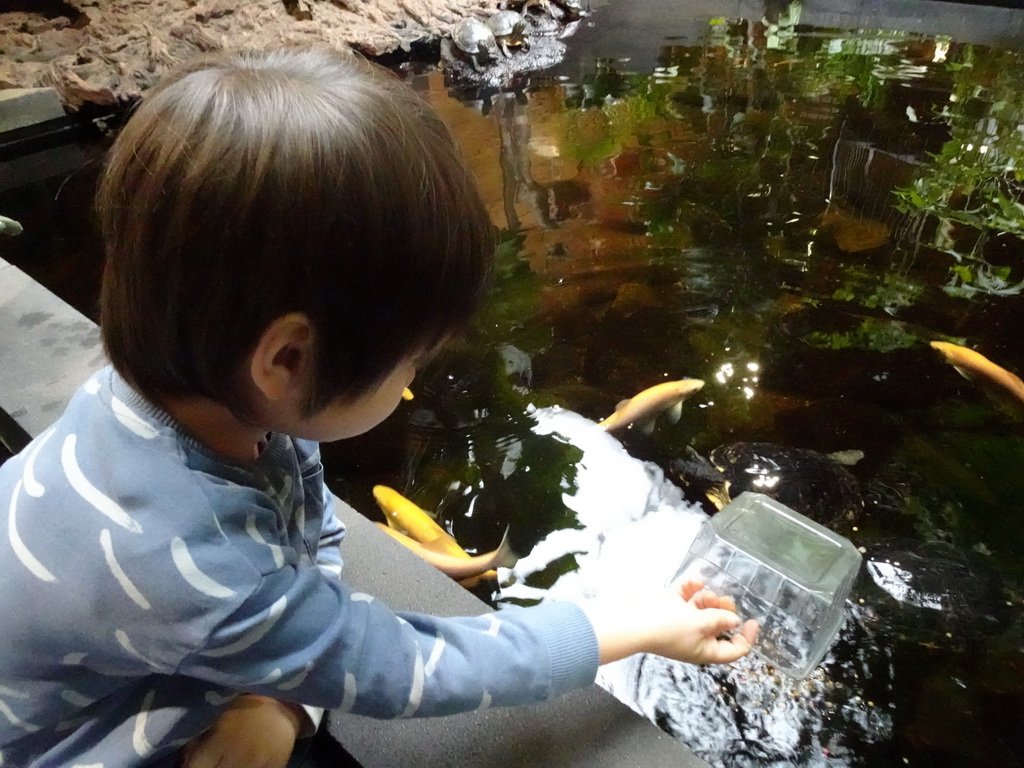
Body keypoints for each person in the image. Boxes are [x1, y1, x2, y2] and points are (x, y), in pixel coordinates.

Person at [0, 46, 757, 768]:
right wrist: (636, 626)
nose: (408, 385)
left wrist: (277, 692)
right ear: (287, 361)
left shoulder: (170, 396)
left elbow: (313, 534)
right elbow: (414, 669)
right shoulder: (193, 562)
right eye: (411, 360)